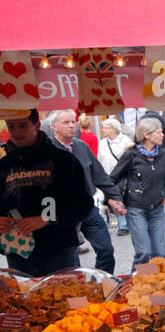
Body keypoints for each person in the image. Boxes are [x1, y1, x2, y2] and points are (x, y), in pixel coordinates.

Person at [0, 109, 94, 276]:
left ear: (36, 125)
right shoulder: (3, 165)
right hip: (18, 253)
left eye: (22, 126)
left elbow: (84, 204)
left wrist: (47, 218)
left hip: (59, 251)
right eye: (11, 126)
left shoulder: (64, 161)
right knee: (23, 301)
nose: (16, 132)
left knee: (66, 300)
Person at [47, 110, 125, 274]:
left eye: (72, 121)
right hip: (63, 212)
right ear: (54, 127)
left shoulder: (81, 146)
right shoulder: (48, 150)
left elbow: (100, 176)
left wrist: (113, 198)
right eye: (66, 122)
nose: (71, 125)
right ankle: (77, 291)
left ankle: (101, 283)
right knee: (69, 259)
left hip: (87, 208)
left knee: (106, 250)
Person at [109, 117, 165, 267]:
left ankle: (154, 285)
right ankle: (139, 284)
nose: (162, 135)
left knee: (159, 254)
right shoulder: (131, 155)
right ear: (147, 135)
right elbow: (111, 179)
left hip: (157, 209)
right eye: (159, 132)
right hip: (135, 209)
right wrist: (114, 200)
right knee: (144, 252)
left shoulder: (164, 156)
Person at [97, 118, 133, 237]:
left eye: (105, 128)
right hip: (108, 177)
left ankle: (131, 223)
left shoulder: (125, 141)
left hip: (124, 177)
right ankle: (122, 225)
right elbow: (99, 159)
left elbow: (131, 160)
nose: (103, 130)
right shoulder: (102, 143)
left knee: (127, 199)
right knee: (115, 199)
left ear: (114, 129)